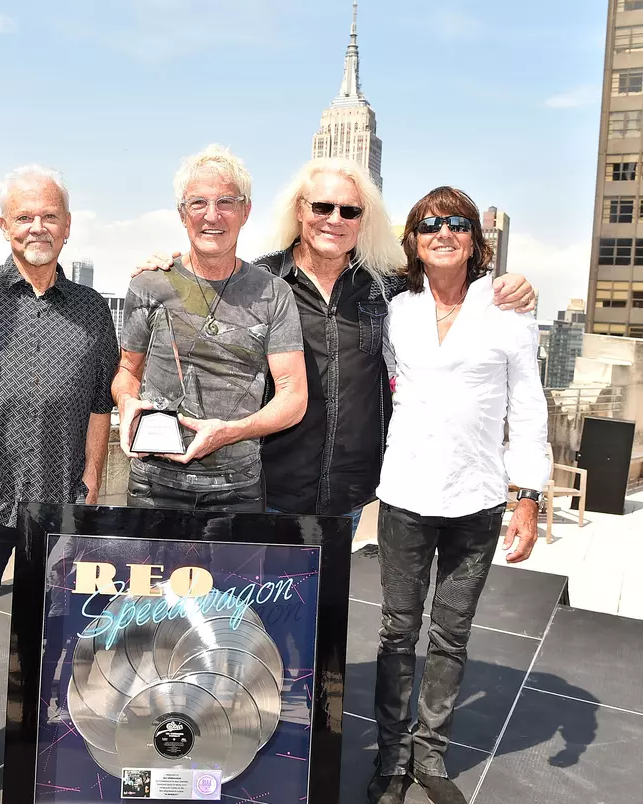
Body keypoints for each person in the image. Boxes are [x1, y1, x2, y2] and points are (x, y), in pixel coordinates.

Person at [135, 158, 536, 532]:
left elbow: (449, 287)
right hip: (270, 485)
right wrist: (167, 265)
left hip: (352, 491)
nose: (334, 220)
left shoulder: (387, 287)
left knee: (328, 605)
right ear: (300, 210)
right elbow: (204, 298)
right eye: (322, 207)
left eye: (349, 211)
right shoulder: (260, 282)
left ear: (364, 220)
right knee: (265, 603)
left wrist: (510, 283)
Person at [0, 165, 120, 804]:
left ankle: (51, 737)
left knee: (59, 629)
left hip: (59, 501)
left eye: (50, 216)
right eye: (24, 216)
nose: (37, 227)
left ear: (67, 227)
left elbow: (100, 404)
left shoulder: (94, 310)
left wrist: (91, 478)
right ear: (4, 226)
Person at [367, 187, 549, 804]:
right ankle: (392, 759)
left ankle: (432, 757)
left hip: (477, 498)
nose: (443, 232)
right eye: (429, 225)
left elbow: (527, 408)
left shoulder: (508, 315)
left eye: (457, 224)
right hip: (405, 496)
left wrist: (527, 494)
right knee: (397, 632)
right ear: (415, 241)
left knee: (451, 634)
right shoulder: (397, 312)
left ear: (475, 240)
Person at [113, 145, 307, 511]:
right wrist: (126, 402)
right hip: (154, 485)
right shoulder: (149, 285)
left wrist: (232, 432)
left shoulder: (273, 293)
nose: (211, 216)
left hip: (237, 490)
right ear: (182, 214)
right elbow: (127, 371)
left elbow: (293, 398)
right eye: (198, 203)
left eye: (226, 203)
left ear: (245, 211)